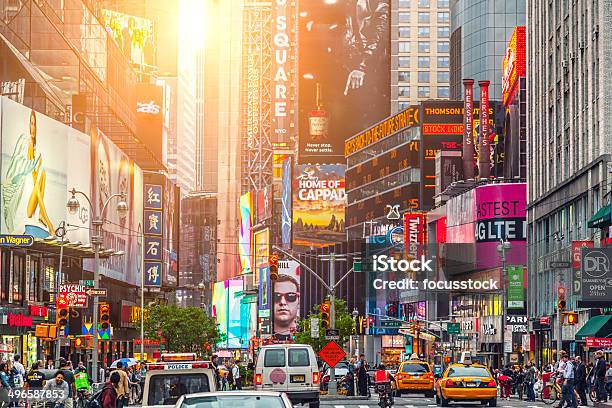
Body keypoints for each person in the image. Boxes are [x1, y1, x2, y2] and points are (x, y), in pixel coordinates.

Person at [273, 275, 300, 340]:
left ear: (298, 301)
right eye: (277, 296)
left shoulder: (304, 334)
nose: (283, 302)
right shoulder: (265, 339)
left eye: (290, 296)